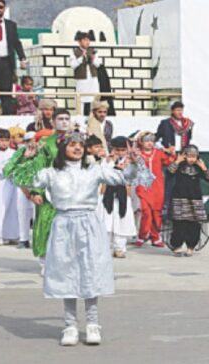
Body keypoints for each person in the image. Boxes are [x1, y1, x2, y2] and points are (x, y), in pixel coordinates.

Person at [31, 132, 138, 346]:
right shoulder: (51, 173)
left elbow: (123, 177)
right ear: (63, 149)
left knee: (90, 270)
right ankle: (70, 325)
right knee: (66, 273)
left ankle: (92, 323)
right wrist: (27, 158)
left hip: (89, 223)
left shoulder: (94, 170)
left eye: (81, 145)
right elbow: (25, 179)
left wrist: (134, 162)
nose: (78, 148)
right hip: (64, 223)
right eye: (72, 145)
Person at [5, 110, 73, 275]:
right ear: (53, 121)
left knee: (69, 227)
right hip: (48, 191)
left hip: (71, 190)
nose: (64, 122)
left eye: (67, 119)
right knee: (45, 224)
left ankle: (67, 261)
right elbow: (39, 167)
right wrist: (36, 191)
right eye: (60, 119)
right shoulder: (44, 142)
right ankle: (45, 261)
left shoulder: (76, 141)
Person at [167, 145, 209, 257]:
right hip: (179, 199)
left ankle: (190, 246)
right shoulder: (179, 166)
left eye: (194, 156)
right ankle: (177, 246)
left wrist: (204, 167)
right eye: (189, 156)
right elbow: (169, 173)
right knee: (179, 223)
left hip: (195, 200)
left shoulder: (198, 168)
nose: (192, 159)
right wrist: (177, 161)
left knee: (193, 224)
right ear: (184, 156)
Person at [0, 0, 27, 116]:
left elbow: (16, 43)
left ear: (4, 8)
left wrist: (22, 58)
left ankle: (7, 120)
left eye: (0, 6)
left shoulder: (11, 25)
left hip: (6, 64)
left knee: (6, 94)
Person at [135, 131, 175, 248]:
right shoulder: (137, 154)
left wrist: (172, 154)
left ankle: (155, 236)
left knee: (156, 213)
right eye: (147, 141)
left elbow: (168, 162)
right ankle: (142, 235)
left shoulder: (158, 153)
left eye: (152, 141)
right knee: (146, 212)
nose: (149, 144)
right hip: (143, 186)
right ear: (141, 142)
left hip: (157, 187)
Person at [156, 101, 193, 213]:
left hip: (182, 155)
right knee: (169, 182)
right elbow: (156, 138)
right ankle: (166, 208)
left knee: (183, 182)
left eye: (181, 110)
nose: (179, 112)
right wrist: (164, 149)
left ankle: (181, 208)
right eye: (177, 110)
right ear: (172, 111)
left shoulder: (188, 124)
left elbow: (189, 139)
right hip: (170, 156)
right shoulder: (165, 123)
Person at [103, 137, 137, 259]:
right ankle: (105, 248)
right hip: (107, 194)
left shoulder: (131, 162)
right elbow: (104, 174)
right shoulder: (106, 161)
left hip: (123, 194)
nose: (120, 153)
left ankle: (120, 248)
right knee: (107, 222)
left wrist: (130, 163)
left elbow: (132, 176)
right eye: (117, 150)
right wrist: (111, 163)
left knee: (122, 220)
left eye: (123, 150)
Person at [69, 32, 101, 116]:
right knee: (81, 99)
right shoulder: (74, 52)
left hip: (92, 79)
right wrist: (81, 58)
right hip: (82, 80)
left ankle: (93, 116)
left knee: (93, 98)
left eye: (88, 40)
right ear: (79, 41)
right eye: (85, 40)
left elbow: (98, 64)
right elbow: (73, 65)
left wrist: (93, 59)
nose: (87, 42)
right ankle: (80, 116)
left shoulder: (93, 51)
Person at [14, 131, 36, 249]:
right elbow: (15, 172)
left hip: (38, 189)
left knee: (37, 216)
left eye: (33, 140)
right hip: (22, 189)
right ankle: (23, 239)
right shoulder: (20, 155)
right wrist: (24, 189)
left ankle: (37, 239)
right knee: (23, 214)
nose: (31, 143)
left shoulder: (42, 154)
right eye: (28, 141)